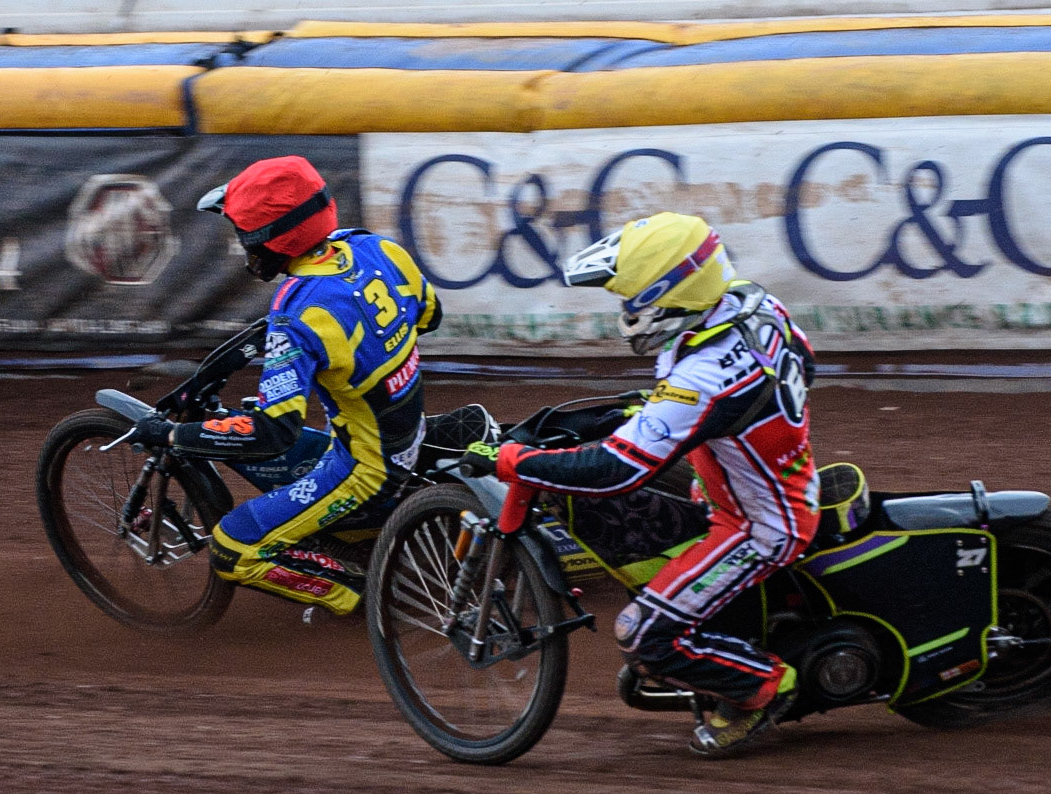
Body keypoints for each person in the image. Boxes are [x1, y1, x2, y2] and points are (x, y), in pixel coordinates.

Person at [462, 212, 819, 755]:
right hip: (748, 481)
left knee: (640, 634)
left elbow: (613, 471)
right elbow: (804, 363)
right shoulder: (750, 302)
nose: (627, 311)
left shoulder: (703, 377)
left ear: (669, 293)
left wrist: (515, 461)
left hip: (759, 525)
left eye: (632, 299)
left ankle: (766, 688)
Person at [131, 155, 441, 616]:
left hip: (367, 470)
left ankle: (367, 603)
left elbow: (274, 431)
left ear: (268, 240)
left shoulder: (297, 315)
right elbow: (431, 315)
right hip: (408, 430)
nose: (241, 247)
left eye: (242, 234)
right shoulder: (373, 247)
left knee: (233, 549)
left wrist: (175, 435)